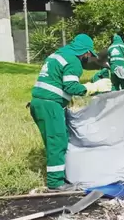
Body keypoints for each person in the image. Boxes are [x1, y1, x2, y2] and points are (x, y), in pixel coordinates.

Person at [30, 34, 112, 192]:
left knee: (54, 140)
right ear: (86, 52)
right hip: (50, 105)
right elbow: (71, 87)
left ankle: (60, 174)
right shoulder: (74, 61)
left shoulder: (58, 55)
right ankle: (56, 183)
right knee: (57, 141)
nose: (88, 57)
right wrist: (93, 87)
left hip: (38, 103)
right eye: (89, 54)